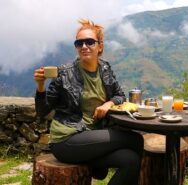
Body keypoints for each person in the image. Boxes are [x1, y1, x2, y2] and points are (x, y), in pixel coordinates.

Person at [34, 19, 143, 185]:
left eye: (90, 42)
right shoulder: (65, 73)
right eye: (79, 43)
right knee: (136, 140)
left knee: (131, 160)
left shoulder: (105, 69)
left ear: (100, 46)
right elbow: (42, 111)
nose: (84, 46)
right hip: (67, 139)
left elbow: (119, 95)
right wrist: (41, 86)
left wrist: (108, 104)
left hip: (92, 139)